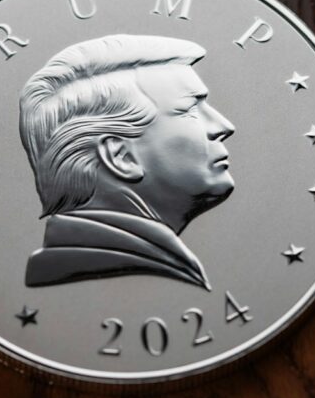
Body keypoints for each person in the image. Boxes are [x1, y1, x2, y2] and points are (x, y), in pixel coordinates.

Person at [19, 34, 235, 290]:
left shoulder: (158, 264)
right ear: (121, 156)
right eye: (189, 109)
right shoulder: (142, 270)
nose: (224, 127)